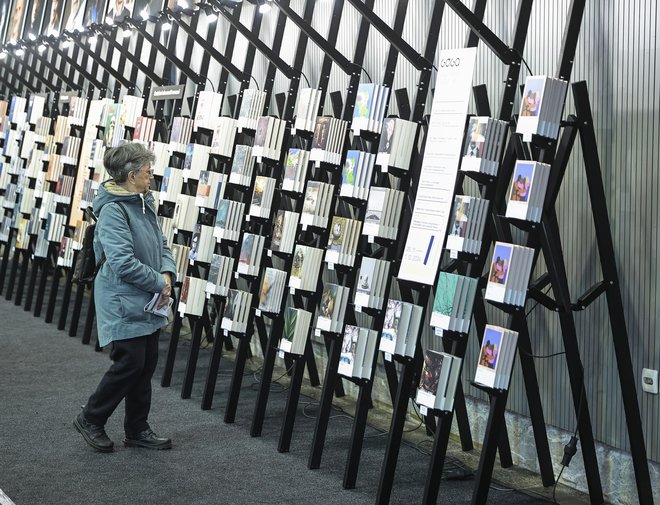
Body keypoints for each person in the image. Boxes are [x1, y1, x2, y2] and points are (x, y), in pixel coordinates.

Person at [73, 142, 176, 453]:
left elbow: (162, 244)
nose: (151, 176)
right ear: (132, 175)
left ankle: (137, 427)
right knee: (129, 363)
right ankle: (91, 417)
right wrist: (159, 281)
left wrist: (168, 272)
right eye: (148, 172)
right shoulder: (114, 211)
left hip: (147, 297)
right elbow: (121, 263)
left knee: (145, 365)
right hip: (122, 299)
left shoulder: (144, 202)